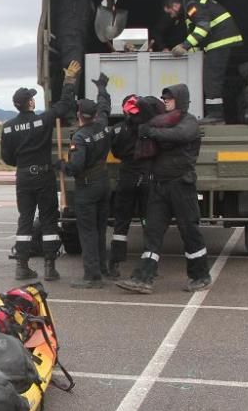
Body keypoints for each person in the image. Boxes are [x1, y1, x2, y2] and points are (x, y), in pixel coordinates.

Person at [116, 84, 212, 294]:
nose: (166, 100)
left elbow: (178, 135)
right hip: (160, 186)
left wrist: (150, 131)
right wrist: (137, 121)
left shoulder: (189, 122)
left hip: (181, 185)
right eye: (164, 98)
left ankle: (200, 275)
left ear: (181, 100)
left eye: (169, 98)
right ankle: (143, 278)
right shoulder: (160, 121)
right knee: (153, 232)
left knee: (190, 231)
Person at [0, 60, 80, 282]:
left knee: (25, 220)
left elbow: (6, 157)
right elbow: (64, 105)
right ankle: (49, 267)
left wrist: (23, 164)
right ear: (30, 103)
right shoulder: (42, 120)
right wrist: (69, 80)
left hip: (23, 177)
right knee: (48, 220)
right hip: (43, 176)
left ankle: (22, 266)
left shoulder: (8, 127)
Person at [60, 73, 111, 288]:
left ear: (80, 114)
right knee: (99, 229)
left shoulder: (80, 137)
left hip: (87, 187)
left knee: (87, 231)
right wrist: (102, 88)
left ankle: (92, 276)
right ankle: (103, 268)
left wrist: (61, 165)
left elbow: (75, 167)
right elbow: (105, 106)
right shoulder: (102, 124)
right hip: (103, 182)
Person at [165, 0, 243, 125]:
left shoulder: (192, 7)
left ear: (175, 6)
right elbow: (199, 39)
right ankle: (215, 115)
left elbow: (203, 28)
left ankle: (216, 116)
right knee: (211, 78)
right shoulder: (194, 9)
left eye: (170, 12)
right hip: (219, 43)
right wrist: (188, 50)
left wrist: (184, 46)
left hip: (220, 43)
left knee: (211, 79)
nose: (171, 16)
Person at [106, 94, 161, 278]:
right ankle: (149, 265)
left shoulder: (117, 129)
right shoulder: (150, 128)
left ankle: (114, 264)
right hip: (147, 177)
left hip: (126, 178)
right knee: (148, 221)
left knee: (121, 223)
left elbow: (114, 150)